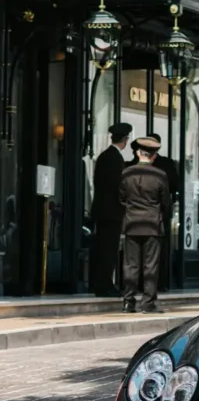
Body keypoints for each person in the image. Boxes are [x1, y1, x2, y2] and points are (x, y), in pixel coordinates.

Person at [119, 137, 170, 314]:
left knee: (130, 265)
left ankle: (128, 302)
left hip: (132, 224)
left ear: (137, 152)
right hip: (153, 225)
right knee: (151, 266)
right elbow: (166, 203)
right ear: (154, 156)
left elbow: (121, 198)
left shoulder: (127, 173)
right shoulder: (160, 175)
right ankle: (147, 303)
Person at [129, 132, 179, 290]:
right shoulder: (134, 167)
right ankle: (147, 290)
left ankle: (144, 288)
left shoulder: (164, 165)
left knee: (144, 257)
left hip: (145, 217)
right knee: (146, 257)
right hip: (149, 217)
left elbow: (174, 187)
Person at [90, 122, 132, 297]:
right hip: (112, 212)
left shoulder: (103, 156)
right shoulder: (116, 158)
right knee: (109, 248)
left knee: (102, 247)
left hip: (101, 210)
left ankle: (100, 283)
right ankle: (105, 284)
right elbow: (118, 186)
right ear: (125, 139)